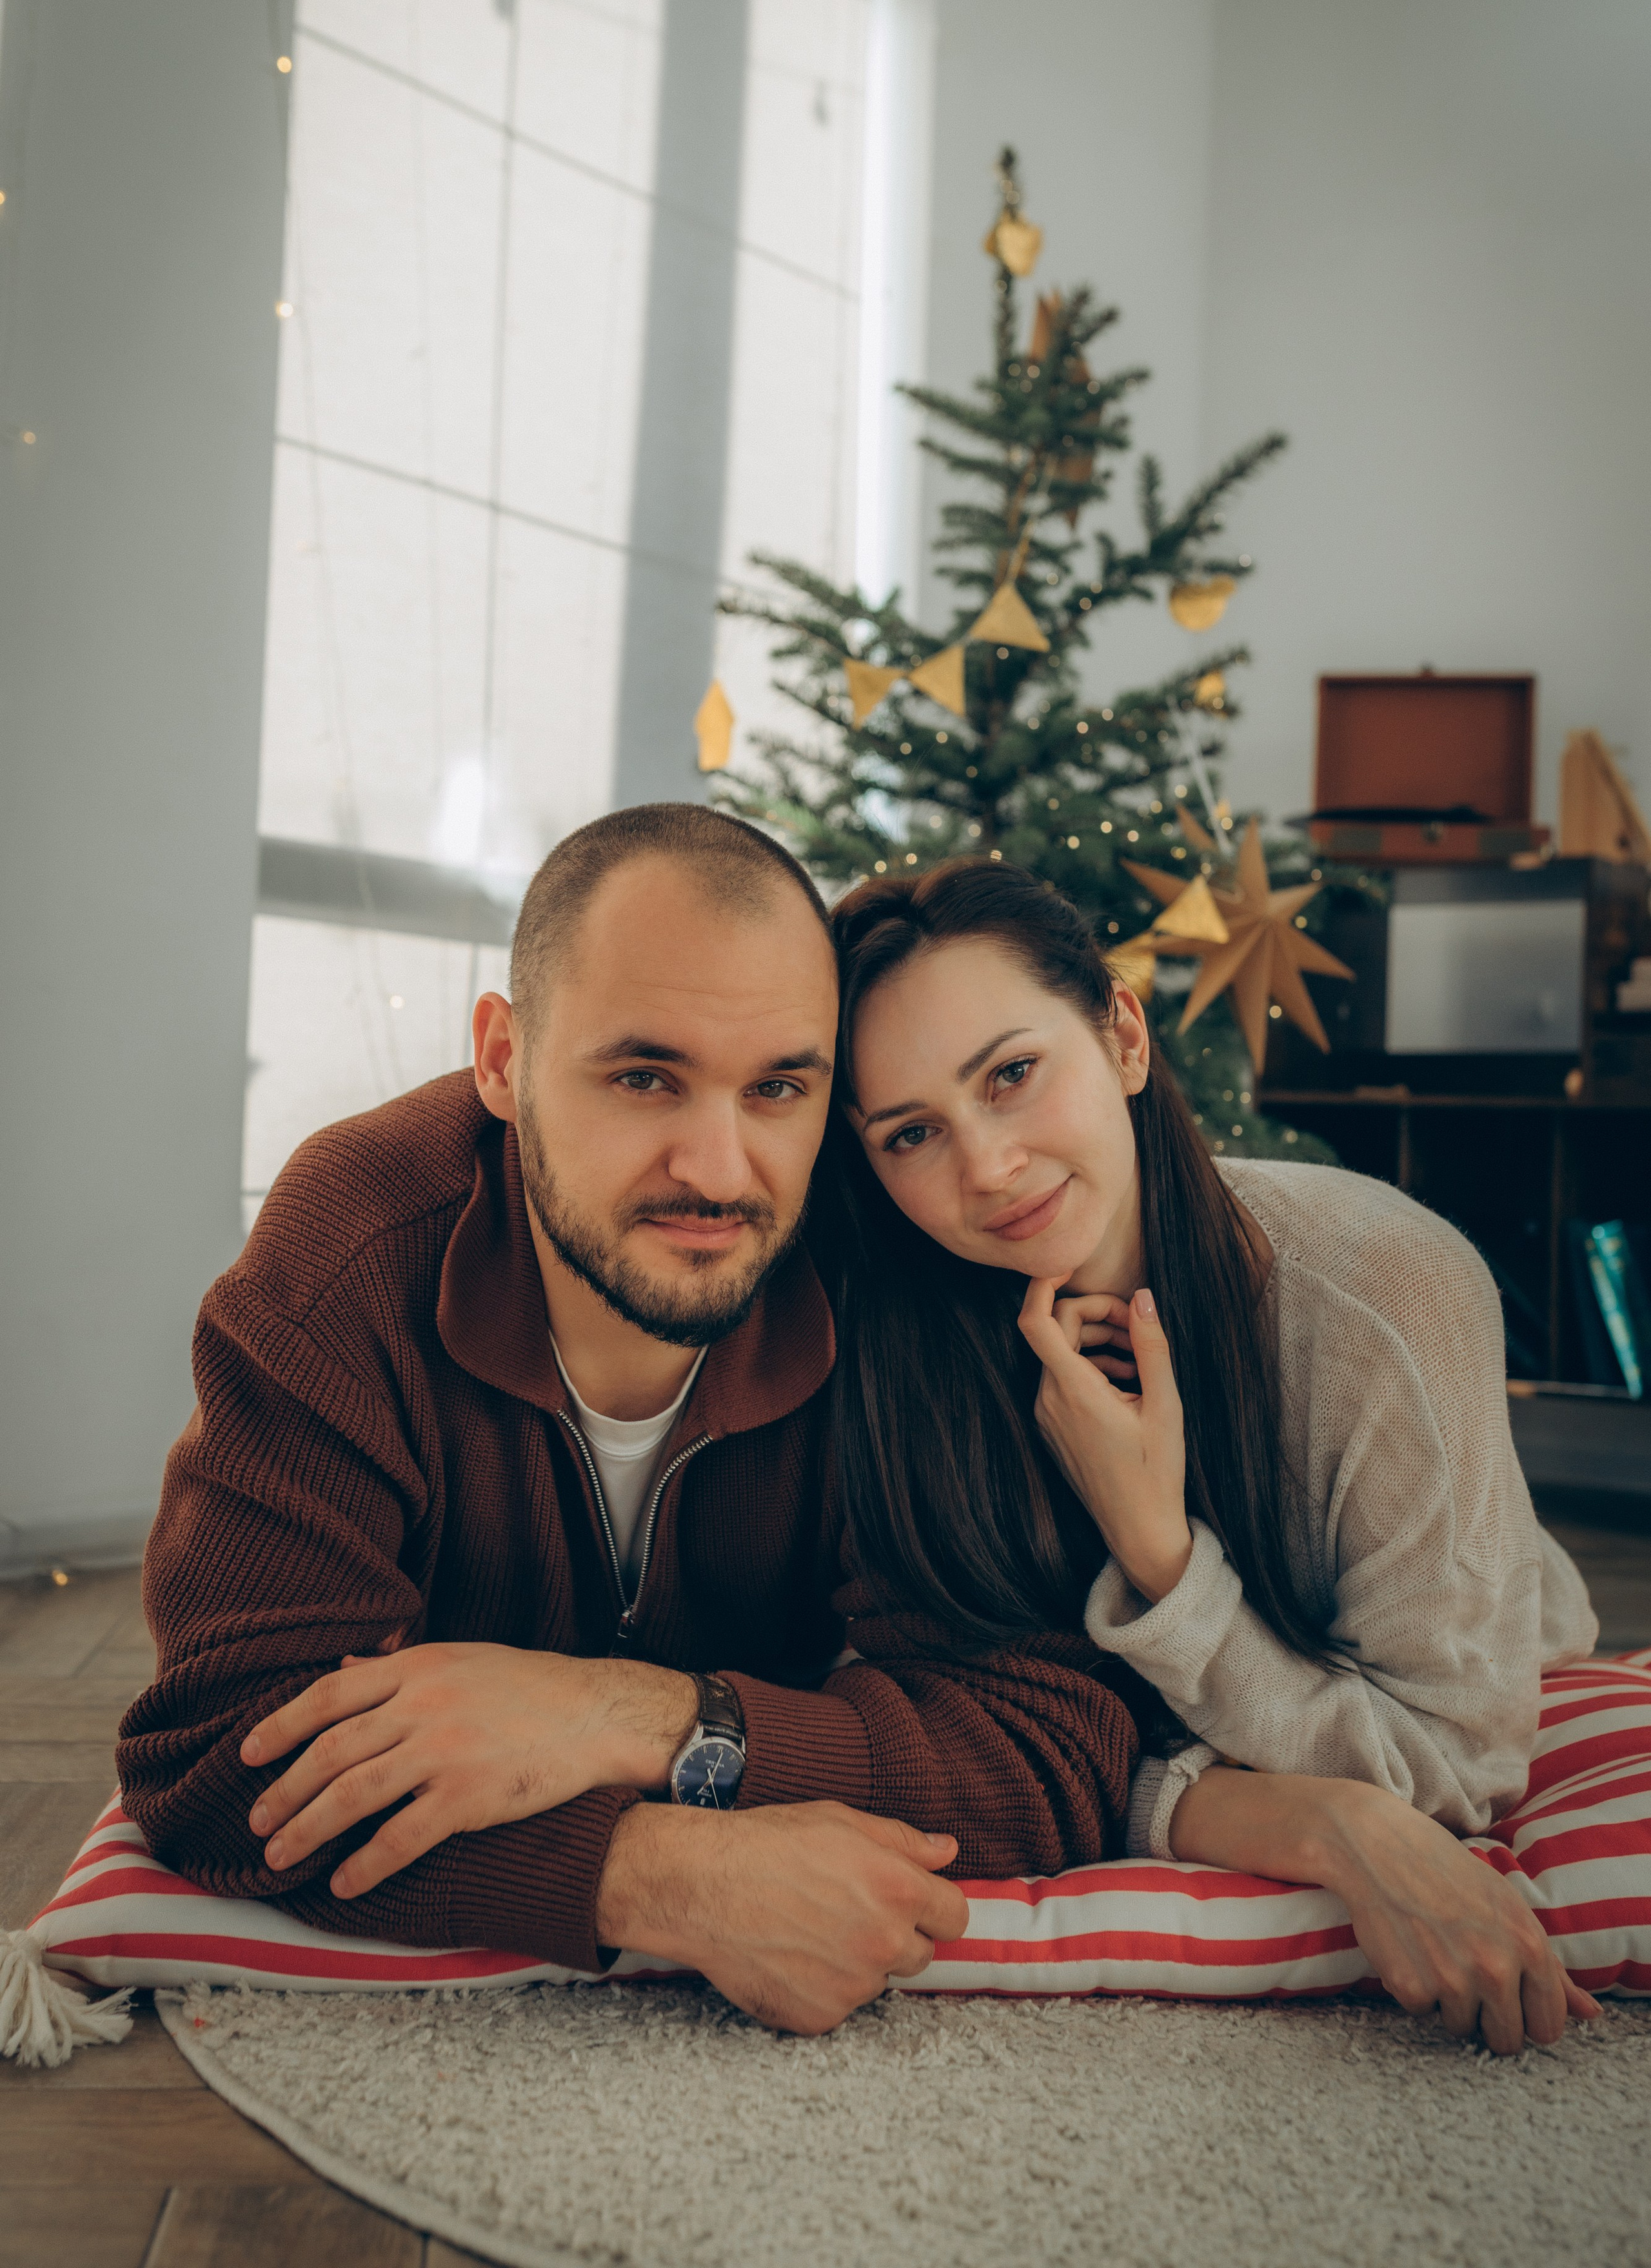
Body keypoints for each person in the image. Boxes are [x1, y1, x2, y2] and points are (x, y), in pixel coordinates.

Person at [119, 805, 1157, 2038]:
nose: (719, 1170)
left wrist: (628, 1716)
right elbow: (216, 1752)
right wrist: (658, 1874)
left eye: (779, 1088)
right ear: (503, 1059)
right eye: (644, 1077)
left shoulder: (882, 1257)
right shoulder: (350, 1252)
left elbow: (1046, 1746)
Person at [820, 854, 1604, 2055]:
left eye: (1015, 1075)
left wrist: (1161, 1556)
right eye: (911, 1133)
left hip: (1471, 1652)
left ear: (1125, 1037)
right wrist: (1311, 1823)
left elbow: (1458, 1764)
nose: (986, 1168)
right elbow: (994, 1735)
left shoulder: (1386, 1292)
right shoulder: (898, 1347)